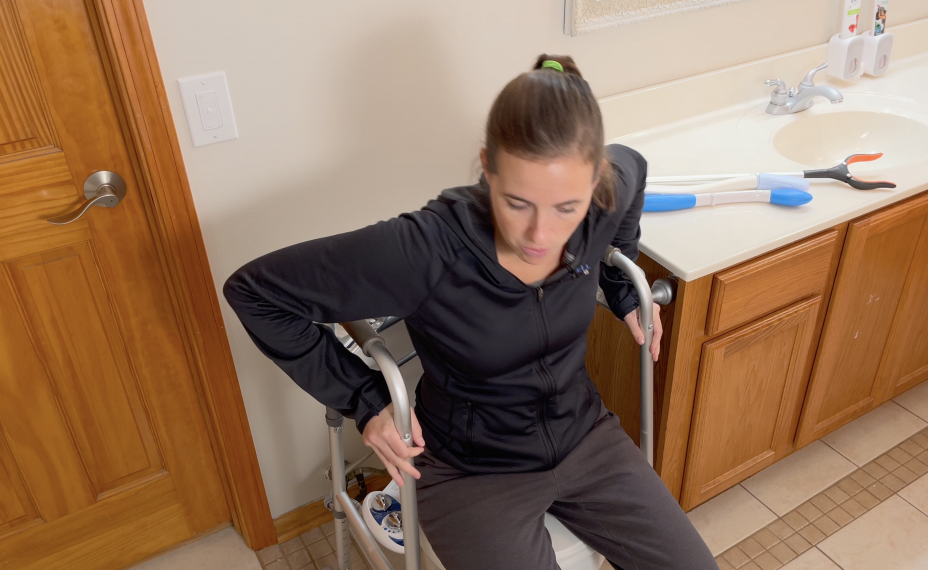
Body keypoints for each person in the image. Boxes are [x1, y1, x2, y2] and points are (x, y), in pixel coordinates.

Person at [224, 54, 717, 570]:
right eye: (518, 202)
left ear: (593, 182)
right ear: (487, 167)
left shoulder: (603, 196)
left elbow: (634, 168)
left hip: (586, 438)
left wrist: (619, 284)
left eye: (566, 208)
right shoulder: (425, 248)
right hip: (472, 473)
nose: (540, 237)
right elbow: (257, 292)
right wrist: (364, 401)